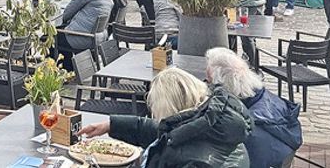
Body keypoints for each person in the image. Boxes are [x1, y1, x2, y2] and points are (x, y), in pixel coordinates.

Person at [79, 67, 252, 167]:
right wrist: (112, 125)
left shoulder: (188, 158)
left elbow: (170, 138)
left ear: (169, 108)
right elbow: (168, 132)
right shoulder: (217, 124)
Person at [206, 47, 302, 168]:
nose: (208, 87)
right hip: (280, 157)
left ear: (223, 86)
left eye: (209, 82)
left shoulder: (242, 130)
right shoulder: (270, 100)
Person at [52, 0, 112, 69]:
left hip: (83, 37)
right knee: (61, 35)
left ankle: (60, 70)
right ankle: (69, 68)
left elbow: (67, 14)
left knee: (50, 38)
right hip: (99, 36)